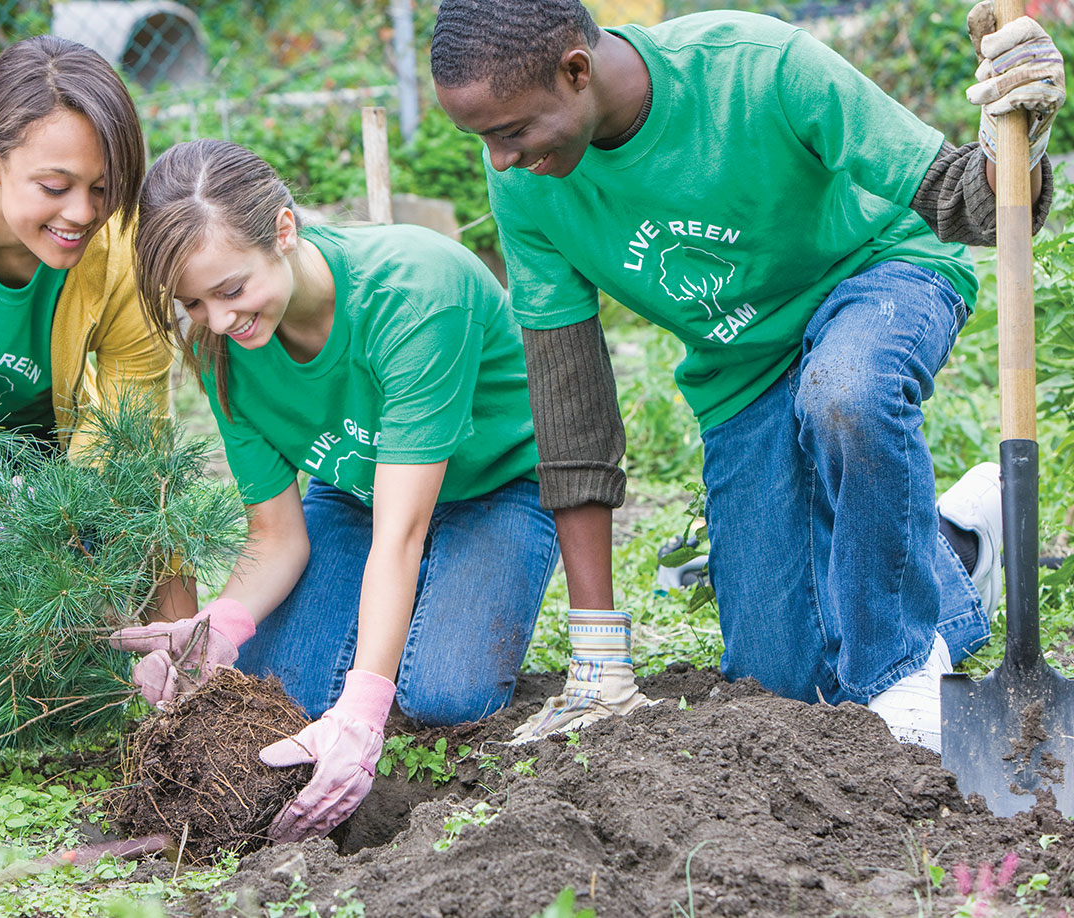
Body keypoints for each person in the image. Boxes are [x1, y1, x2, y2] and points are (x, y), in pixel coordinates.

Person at [429, 0, 1065, 752]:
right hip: (745, 365)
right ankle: (956, 545)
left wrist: (1010, 136)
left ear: (575, 69)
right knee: (779, 680)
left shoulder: (756, 66)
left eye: (510, 133)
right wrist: (598, 652)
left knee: (847, 391)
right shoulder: (526, 182)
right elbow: (572, 407)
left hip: (875, 275)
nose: (498, 159)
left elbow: (966, 204)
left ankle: (901, 668)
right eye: (484, 140)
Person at [110, 139, 558, 840]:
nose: (219, 321)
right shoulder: (216, 345)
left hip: (493, 487)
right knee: (279, 683)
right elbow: (276, 535)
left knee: (443, 694)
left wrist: (363, 710)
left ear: (284, 231)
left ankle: (455, 595)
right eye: (192, 302)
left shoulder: (414, 295)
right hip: (355, 489)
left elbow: (401, 535)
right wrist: (220, 624)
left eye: (230, 290)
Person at [0, 36, 189, 709]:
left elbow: (138, 449)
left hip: (40, 472)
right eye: (55, 186)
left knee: (96, 686)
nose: (82, 214)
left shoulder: (122, 253)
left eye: (103, 189)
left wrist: (177, 632)